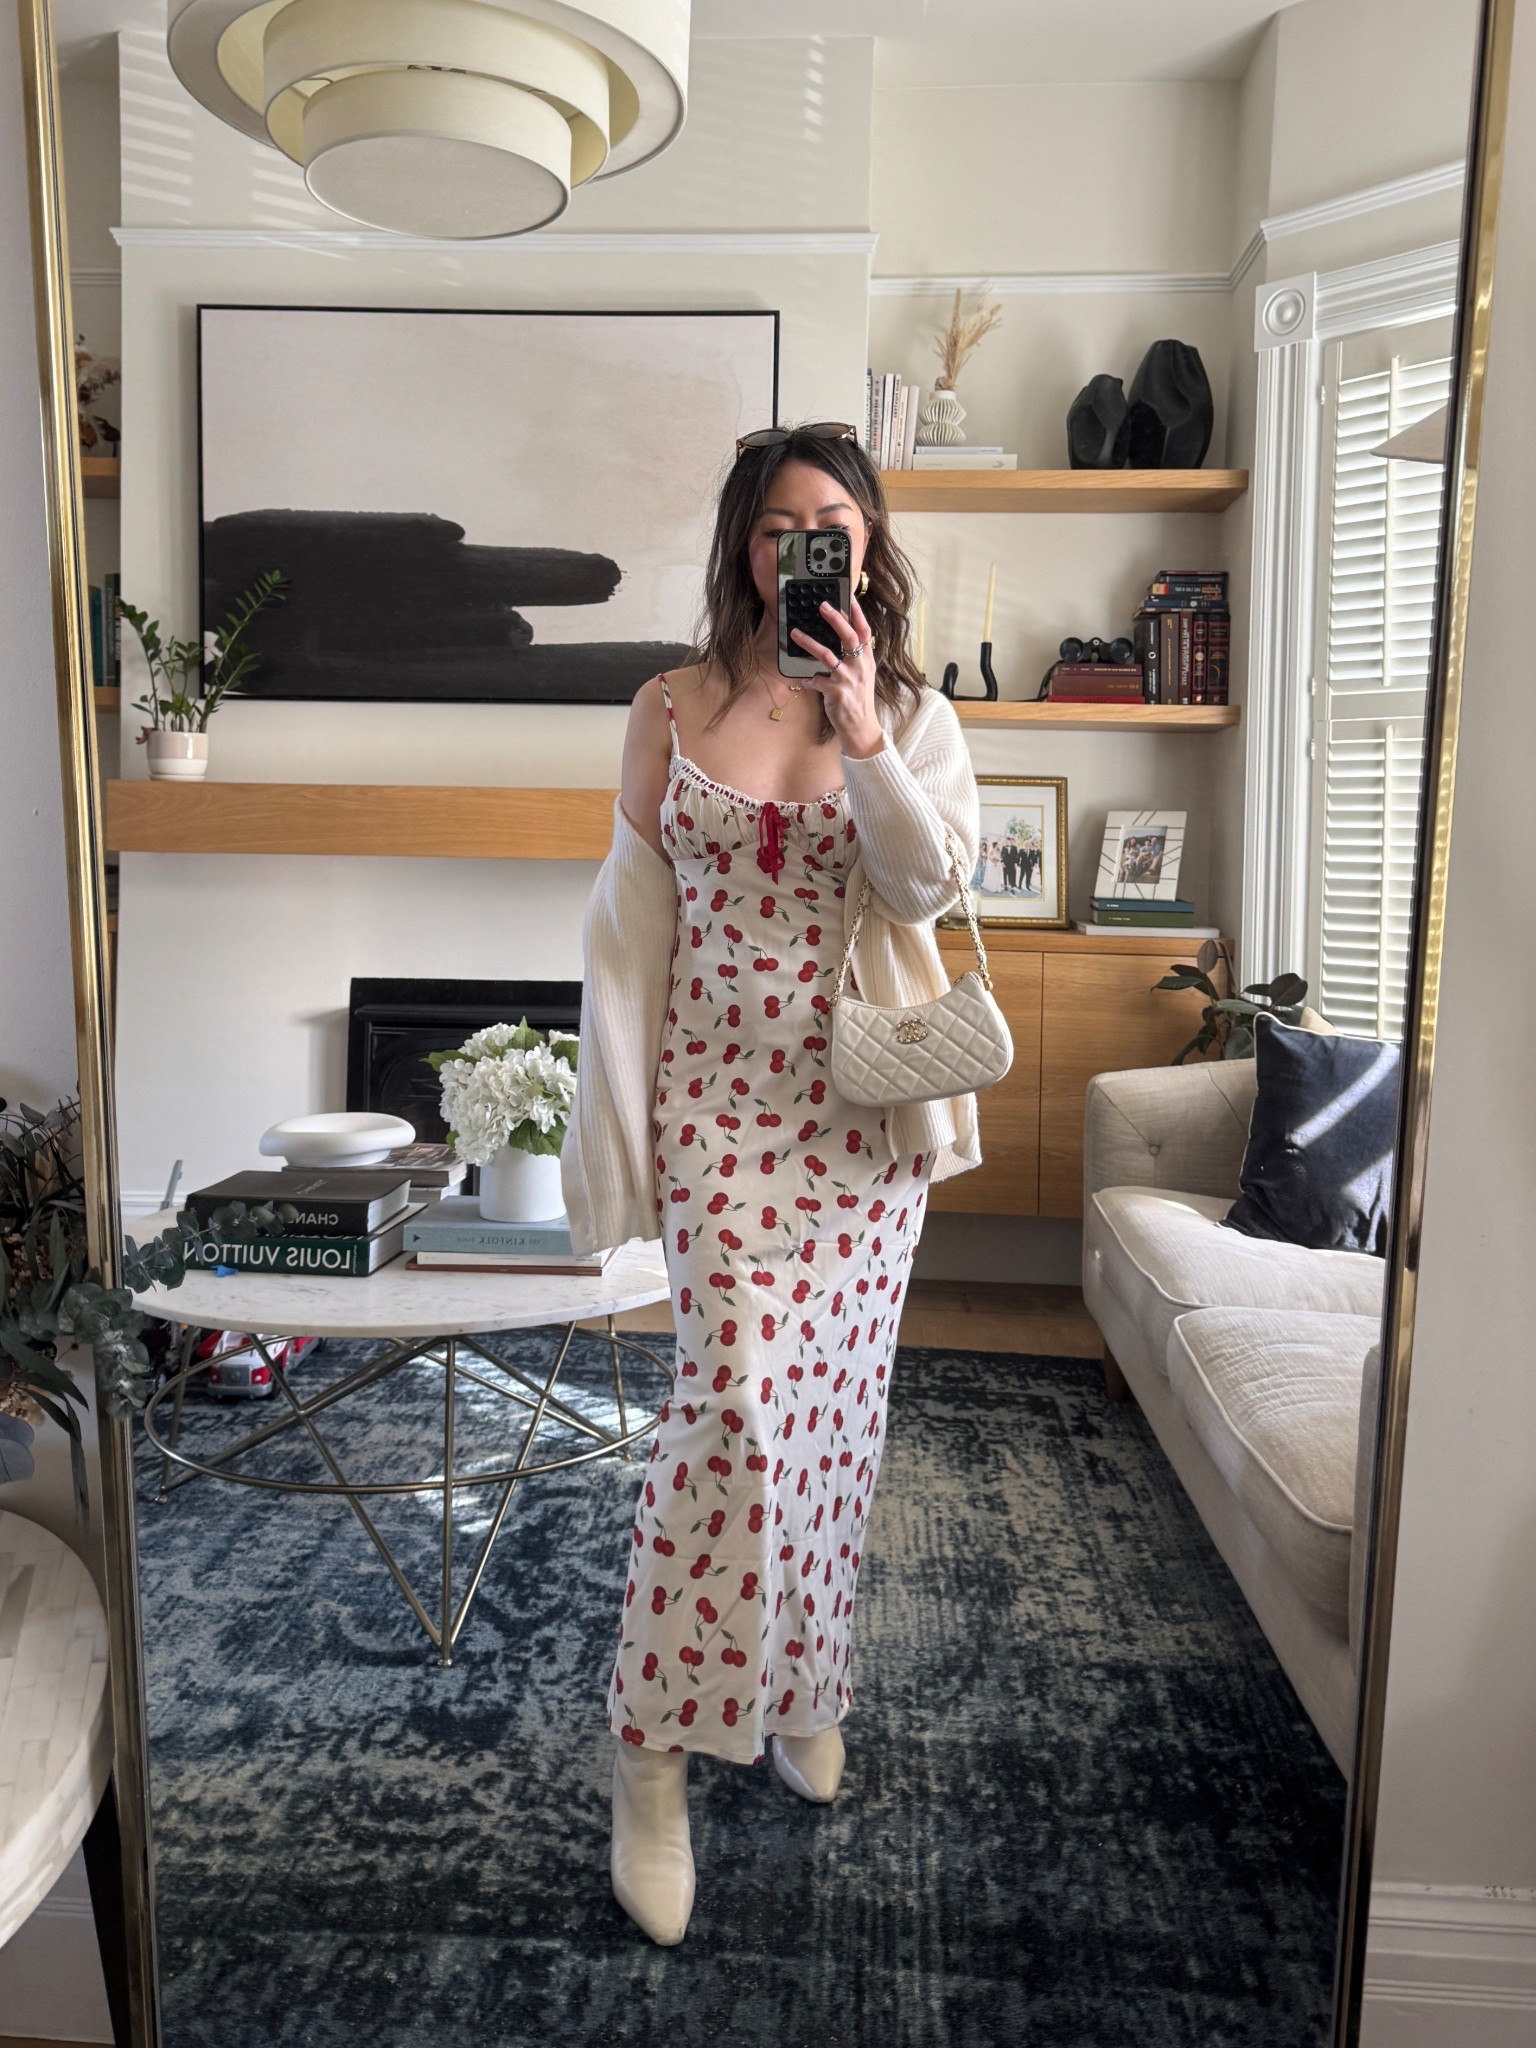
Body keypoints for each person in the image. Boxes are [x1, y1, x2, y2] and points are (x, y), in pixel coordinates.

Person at [561, 420, 982, 1947]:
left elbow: (933, 885)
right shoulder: (669, 706)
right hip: (715, 1122)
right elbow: (626, 939)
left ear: (865, 547)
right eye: (779, 525)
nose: (807, 546)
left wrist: (864, 733)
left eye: (835, 525)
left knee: (831, 1424)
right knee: (732, 1410)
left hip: (864, 1127)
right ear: (746, 546)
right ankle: (651, 1755)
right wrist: (610, 1142)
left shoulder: (914, 712)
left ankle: (807, 1680)